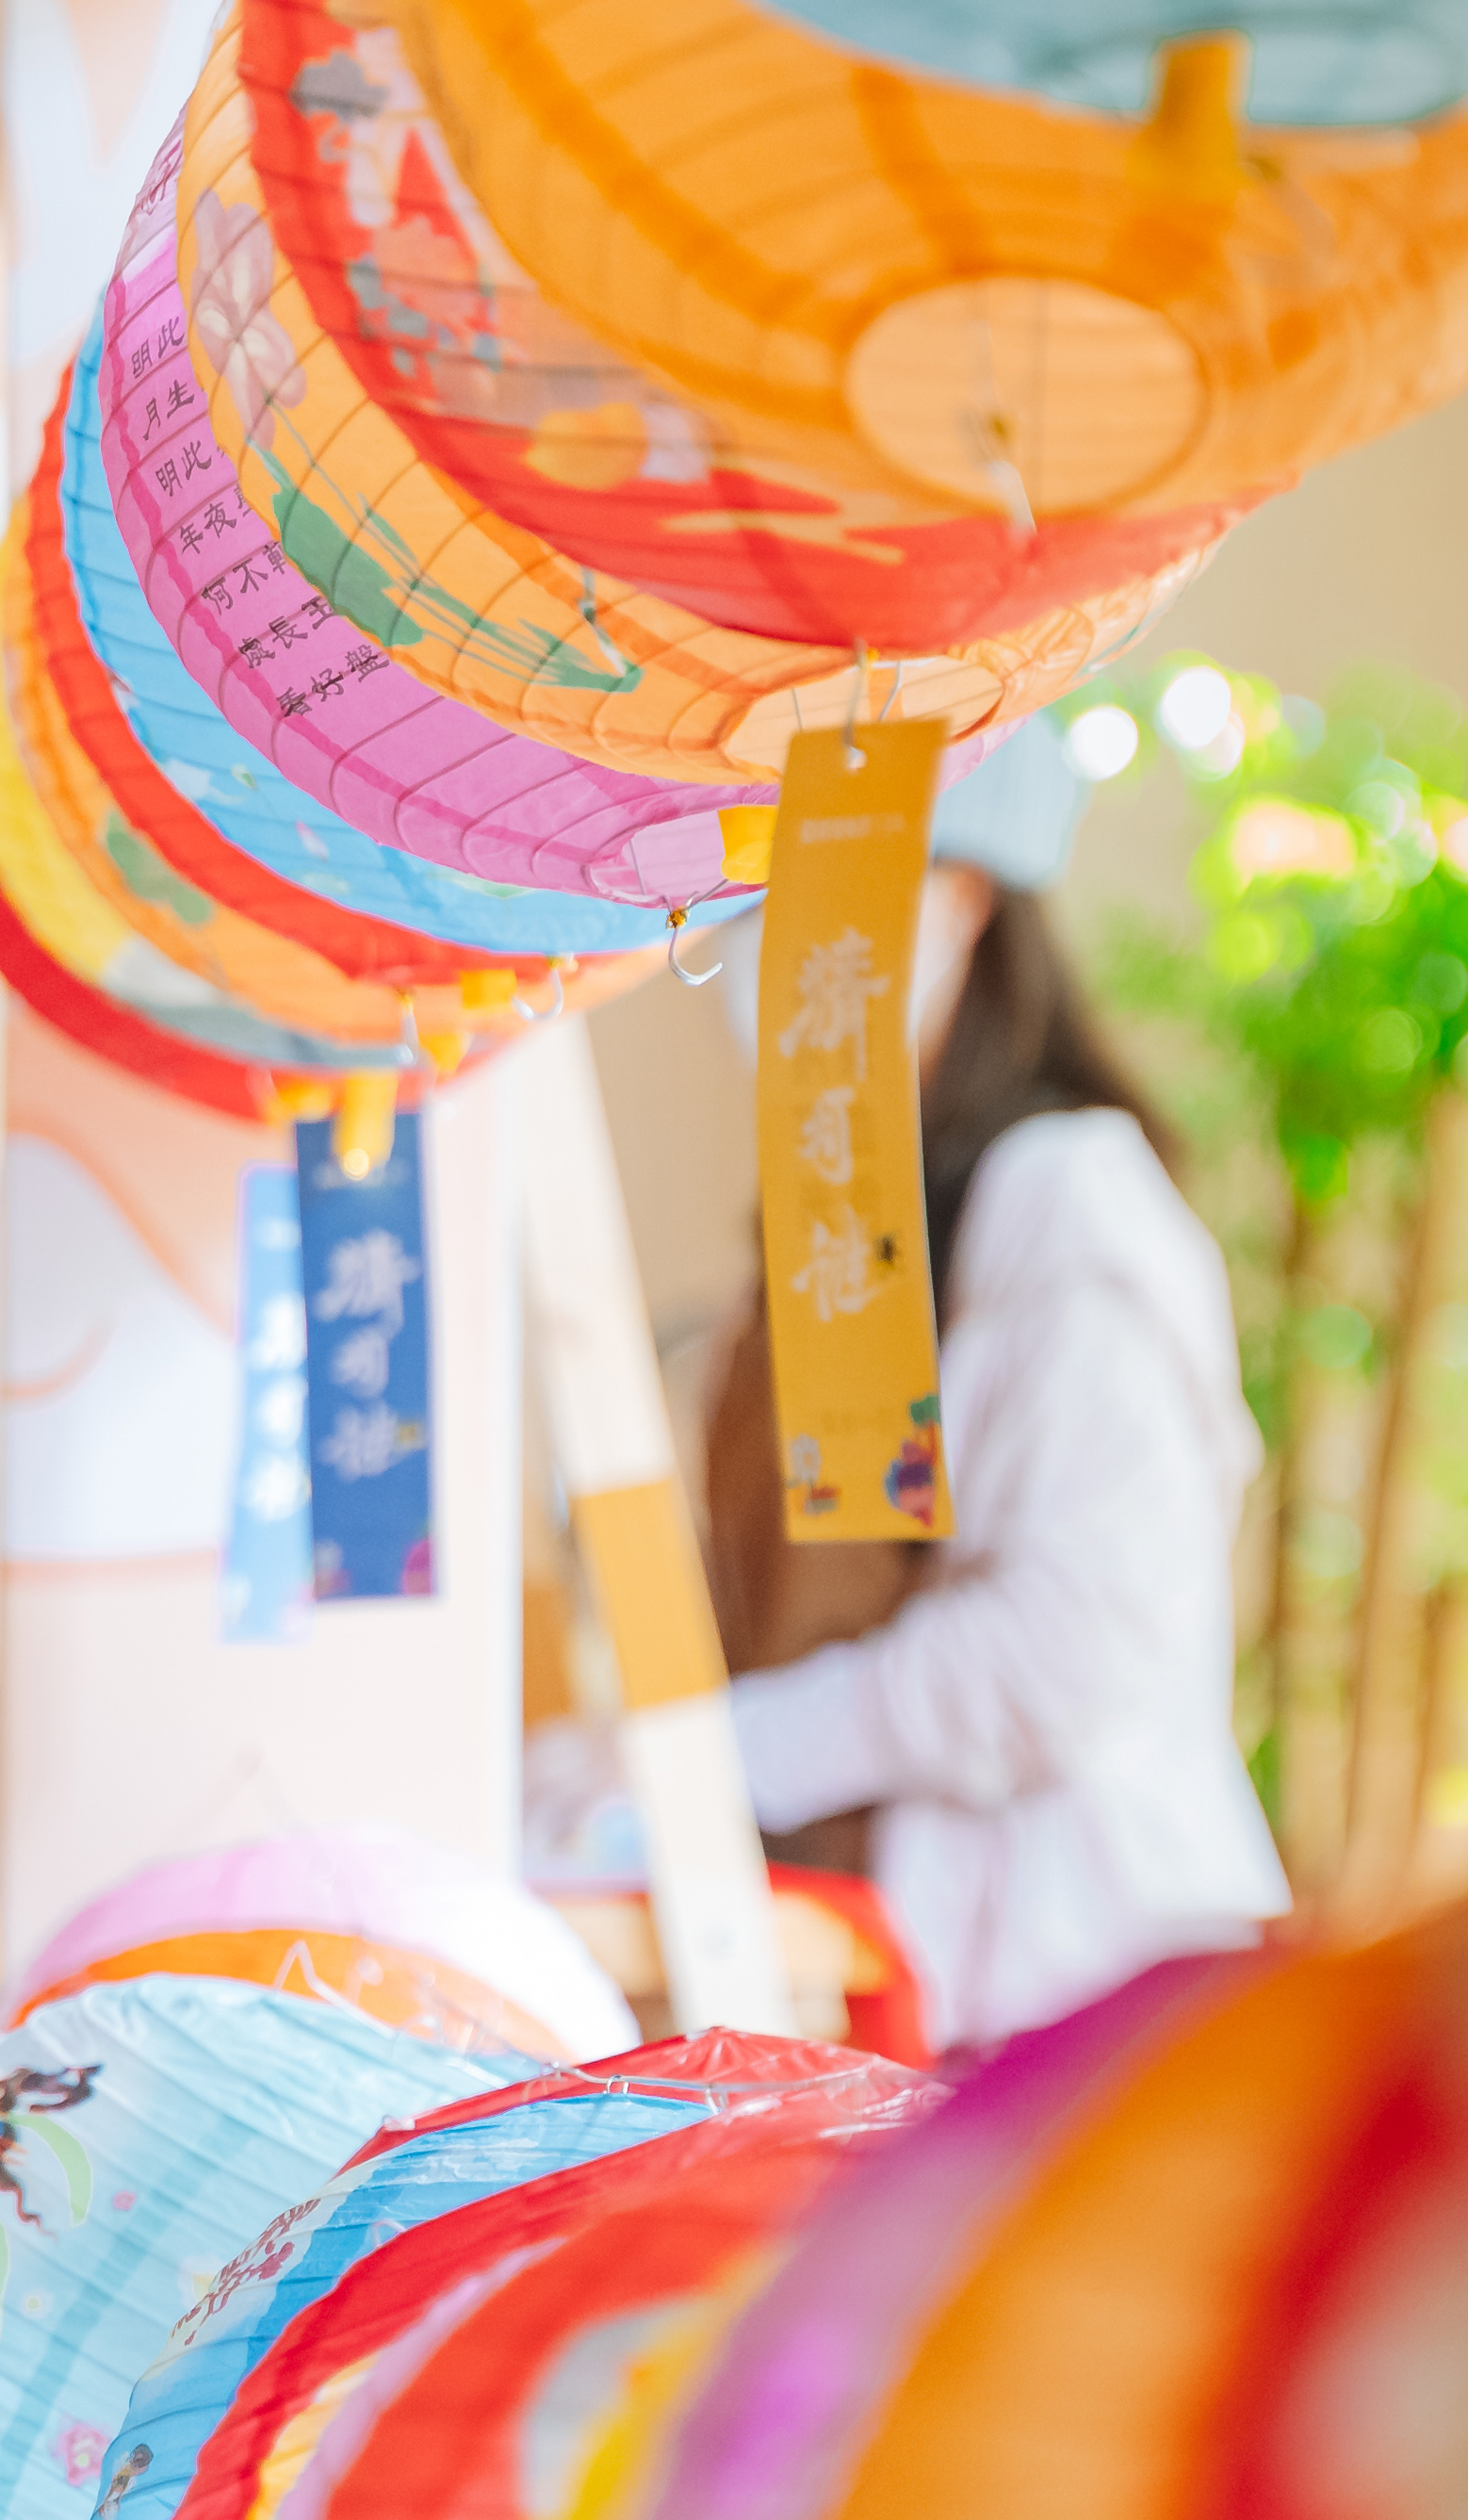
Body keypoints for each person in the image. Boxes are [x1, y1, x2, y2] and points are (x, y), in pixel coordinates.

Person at [541, 717, 1288, 2053]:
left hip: (1088, 2004)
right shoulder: (821, 1249)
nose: (757, 948)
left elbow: (1068, 1647)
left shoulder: (1067, 1200)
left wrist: (715, 1760)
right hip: (899, 2000)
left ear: (959, 899)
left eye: (801, 892)